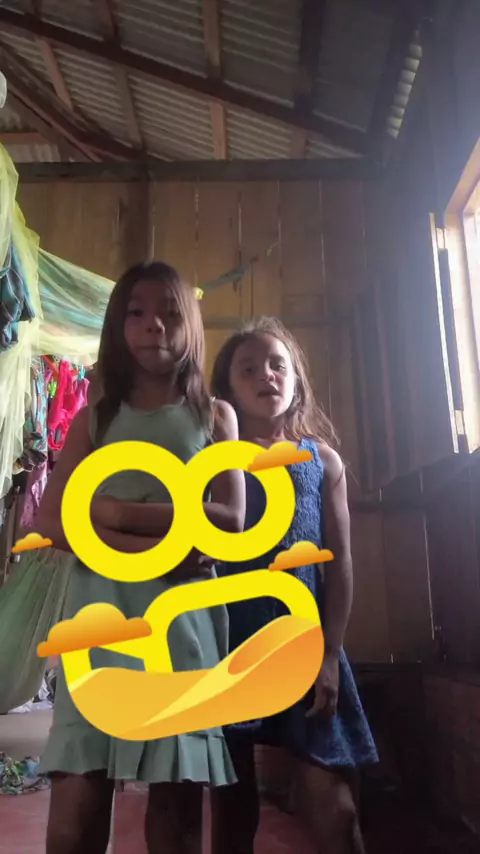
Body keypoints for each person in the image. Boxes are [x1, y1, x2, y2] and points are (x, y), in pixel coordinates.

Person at [35, 262, 245, 854]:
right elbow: (49, 520)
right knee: (75, 813)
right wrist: (153, 543)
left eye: (172, 313)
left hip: (181, 625)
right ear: (117, 325)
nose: (156, 325)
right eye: (138, 312)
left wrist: (113, 512)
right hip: (98, 620)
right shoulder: (95, 417)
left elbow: (230, 517)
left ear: (192, 325)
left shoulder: (215, 416)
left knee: (177, 813)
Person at [209, 317, 378, 854]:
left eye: (278, 364)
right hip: (228, 647)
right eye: (249, 369)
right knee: (233, 814)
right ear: (227, 387)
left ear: (296, 378)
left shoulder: (321, 460)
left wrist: (330, 655)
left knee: (337, 812)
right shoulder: (212, 457)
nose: (267, 375)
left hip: (304, 648)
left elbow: (341, 564)